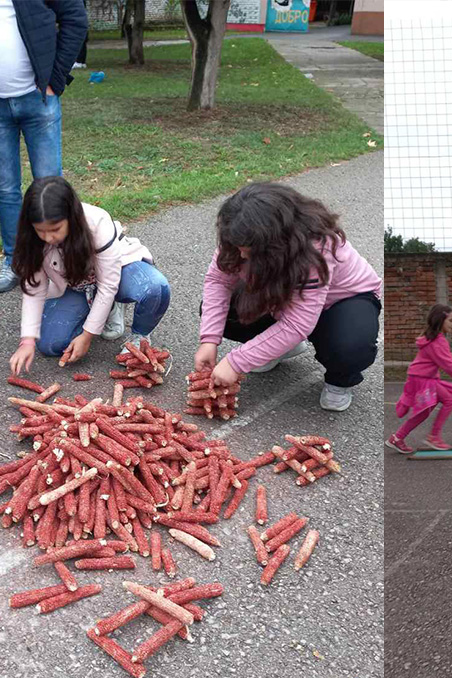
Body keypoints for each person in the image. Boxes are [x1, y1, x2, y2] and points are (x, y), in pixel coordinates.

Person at [196, 183, 382, 412]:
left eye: (248, 250)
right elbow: (219, 281)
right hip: (284, 299)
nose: (241, 254)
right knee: (224, 313)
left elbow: (297, 323)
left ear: (274, 244)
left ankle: (340, 379)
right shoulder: (240, 233)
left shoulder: (316, 250)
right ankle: (282, 347)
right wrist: (209, 340)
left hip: (340, 303)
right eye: (238, 247)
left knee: (350, 346)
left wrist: (236, 362)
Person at [8, 176, 168, 375]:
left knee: (155, 288)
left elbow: (109, 284)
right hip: (78, 285)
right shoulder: (31, 237)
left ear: (71, 217)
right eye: (41, 231)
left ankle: (139, 335)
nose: (49, 238)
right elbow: (34, 288)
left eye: (56, 230)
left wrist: (88, 335)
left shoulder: (97, 221)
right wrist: (27, 341)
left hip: (116, 275)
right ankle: (103, 308)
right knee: (50, 345)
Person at [0, 0, 89, 293]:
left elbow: (75, 18)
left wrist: (55, 80)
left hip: (39, 99)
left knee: (49, 186)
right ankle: (18, 262)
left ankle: (60, 262)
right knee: (5, 188)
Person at [387, 304, 452, 454]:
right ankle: (432, 437)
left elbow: (444, 357)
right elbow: (450, 368)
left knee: (427, 410)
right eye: (451, 320)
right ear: (440, 321)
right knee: (447, 402)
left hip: (422, 377)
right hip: (422, 379)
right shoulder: (438, 341)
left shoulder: (436, 338)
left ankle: (398, 438)